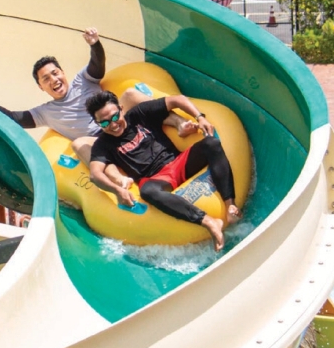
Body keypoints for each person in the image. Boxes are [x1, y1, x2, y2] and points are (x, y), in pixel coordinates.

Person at [0, 28, 194, 153]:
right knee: (80, 144)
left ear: (63, 73)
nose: (54, 80)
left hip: (121, 120)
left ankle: (179, 123)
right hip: (100, 139)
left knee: (130, 95)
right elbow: (15, 118)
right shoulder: (46, 112)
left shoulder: (83, 80)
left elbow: (98, 65)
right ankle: (117, 183)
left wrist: (95, 44)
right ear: (41, 87)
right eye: (46, 79)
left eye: (55, 73)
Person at [84, 90, 242, 250]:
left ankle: (230, 205)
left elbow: (178, 99)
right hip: (155, 179)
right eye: (104, 123)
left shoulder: (138, 114)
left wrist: (199, 117)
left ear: (121, 109)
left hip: (178, 161)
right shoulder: (102, 145)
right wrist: (117, 190)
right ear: (97, 124)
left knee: (211, 144)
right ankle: (208, 221)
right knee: (147, 191)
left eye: (115, 116)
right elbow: (95, 175)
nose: (113, 124)